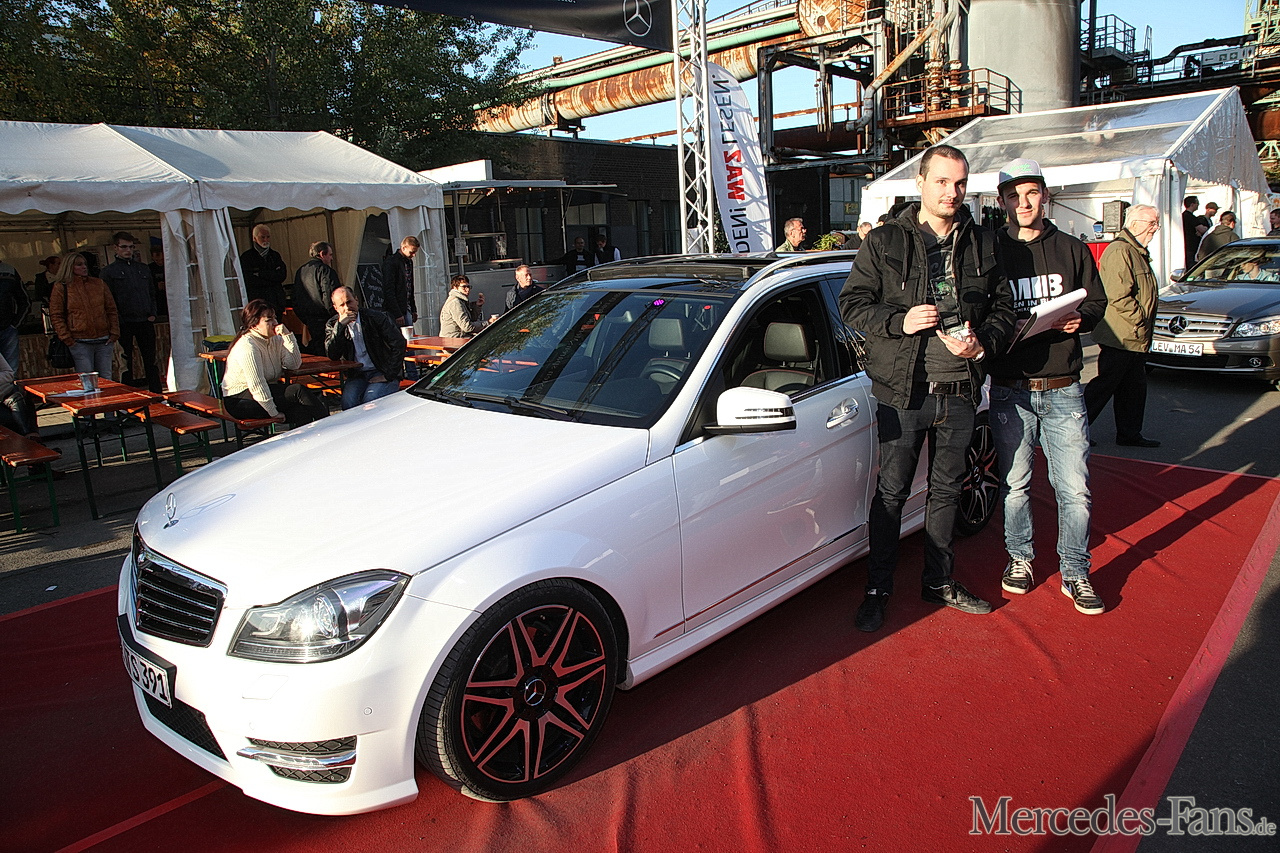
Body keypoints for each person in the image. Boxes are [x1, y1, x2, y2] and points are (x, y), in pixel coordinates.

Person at [839, 144, 1016, 633]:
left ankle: (938, 581)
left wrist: (983, 343)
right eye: (941, 181)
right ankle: (878, 590)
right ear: (920, 183)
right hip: (904, 393)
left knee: (946, 492)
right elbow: (852, 305)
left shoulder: (983, 241)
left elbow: (1004, 308)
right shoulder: (886, 241)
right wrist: (900, 320)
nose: (951, 192)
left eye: (960, 183)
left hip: (960, 389)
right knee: (891, 494)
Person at [988, 159, 1108, 616]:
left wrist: (1082, 319)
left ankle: (1075, 572)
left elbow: (1097, 301)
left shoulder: (1073, 249)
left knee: (1074, 489)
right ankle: (1020, 558)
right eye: (1013, 196)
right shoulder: (991, 250)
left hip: (1063, 387)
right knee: (1014, 485)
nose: (1023, 203)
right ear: (1001, 202)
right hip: (1009, 388)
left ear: (1045, 196)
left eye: (1031, 193)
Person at [1084, 204, 1161, 448]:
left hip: (1133, 334)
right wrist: (1139, 320)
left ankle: (1129, 434)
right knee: (1105, 385)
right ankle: (1075, 431)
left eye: (1156, 223)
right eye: (1152, 223)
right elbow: (1118, 296)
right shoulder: (1120, 250)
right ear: (1135, 224)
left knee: (1133, 387)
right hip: (1121, 333)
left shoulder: (1135, 250)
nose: (1155, 228)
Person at [222, 299, 327, 427]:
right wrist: (273, 413)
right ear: (254, 325)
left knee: (301, 411)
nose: (275, 323)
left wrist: (288, 336)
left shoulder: (275, 339)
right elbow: (257, 384)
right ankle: (329, 425)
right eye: (269, 320)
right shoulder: (248, 346)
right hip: (239, 399)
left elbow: (294, 364)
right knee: (297, 390)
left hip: (264, 391)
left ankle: (308, 437)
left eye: (275, 318)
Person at [324, 286, 405, 410]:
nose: (347, 308)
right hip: (357, 374)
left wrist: (389, 374)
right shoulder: (333, 324)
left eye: (349, 302)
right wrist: (340, 327)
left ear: (356, 300)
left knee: (370, 401)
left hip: (381, 370)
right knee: (348, 402)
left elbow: (399, 343)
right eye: (342, 305)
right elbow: (332, 354)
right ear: (336, 308)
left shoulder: (375, 317)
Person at [101, 232, 161, 392]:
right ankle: (127, 396)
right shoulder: (108, 272)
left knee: (151, 359)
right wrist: (117, 320)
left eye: (131, 247)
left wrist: (152, 313)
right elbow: (108, 300)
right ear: (115, 248)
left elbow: (152, 293)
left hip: (144, 319)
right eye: (124, 247)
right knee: (125, 361)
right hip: (124, 322)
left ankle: (157, 393)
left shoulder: (143, 269)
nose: (128, 250)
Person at [49, 251, 118, 378]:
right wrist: (66, 337)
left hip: (103, 339)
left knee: (106, 377)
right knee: (87, 378)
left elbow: (111, 309)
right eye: (79, 265)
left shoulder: (99, 284)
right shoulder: (61, 287)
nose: (84, 267)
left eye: (85, 264)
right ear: (70, 267)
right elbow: (56, 314)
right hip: (79, 340)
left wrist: (114, 333)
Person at [293, 241, 341, 355]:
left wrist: (305, 319)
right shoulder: (326, 271)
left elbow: (295, 298)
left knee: (316, 351)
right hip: (325, 320)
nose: (331, 258)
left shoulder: (301, 271)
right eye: (330, 255)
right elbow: (330, 296)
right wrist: (335, 316)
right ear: (322, 254)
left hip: (309, 320)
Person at [240, 224, 288, 320]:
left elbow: (282, 275)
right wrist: (272, 277)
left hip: (276, 302)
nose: (266, 240)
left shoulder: (275, 255)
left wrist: (261, 274)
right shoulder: (247, 257)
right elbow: (249, 280)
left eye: (268, 237)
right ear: (254, 238)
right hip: (258, 304)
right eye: (262, 237)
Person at [380, 235, 420, 326]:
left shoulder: (408, 262)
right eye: (412, 252)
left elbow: (410, 287)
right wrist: (397, 313)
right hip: (395, 309)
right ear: (403, 248)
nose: (413, 255)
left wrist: (413, 309)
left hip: (406, 307)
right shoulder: (391, 262)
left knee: (408, 332)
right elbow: (389, 289)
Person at [0, 257, 30, 374]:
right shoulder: (9, 271)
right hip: (8, 327)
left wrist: (15, 324)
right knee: (10, 371)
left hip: (7, 329)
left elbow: (24, 300)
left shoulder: (9, 270)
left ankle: (11, 387)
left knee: (11, 372)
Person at [0, 352, 38, 440]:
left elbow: (9, 373)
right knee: (9, 417)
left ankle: (32, 439)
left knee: (21, 397)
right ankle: (29, 441)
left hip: (4, 391)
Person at [1181, 196, 1201, 269]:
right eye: (1197, 203)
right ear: (1192, 204)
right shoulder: (1190, 216)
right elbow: (1202, 229)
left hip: (1187, 245)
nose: (1198, 205)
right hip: (1191, 246)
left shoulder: (1183, 215)